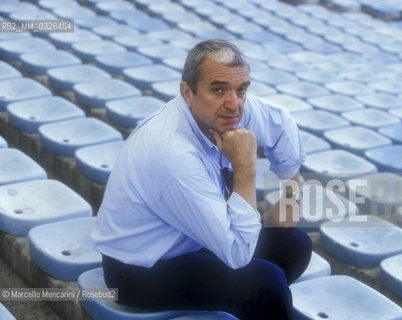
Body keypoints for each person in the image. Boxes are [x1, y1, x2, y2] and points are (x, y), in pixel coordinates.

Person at [92, 39, 312, 320]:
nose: (234, 104)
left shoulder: (230, 109)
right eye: (218, 89)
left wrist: (290, 197)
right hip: (138, 270)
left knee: (295, 244)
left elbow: (281, 123)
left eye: (242, 89)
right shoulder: (172, 154)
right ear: (188, 92)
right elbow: (236, 253)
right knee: (266, 284)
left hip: (192, 243)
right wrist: (245, 167)